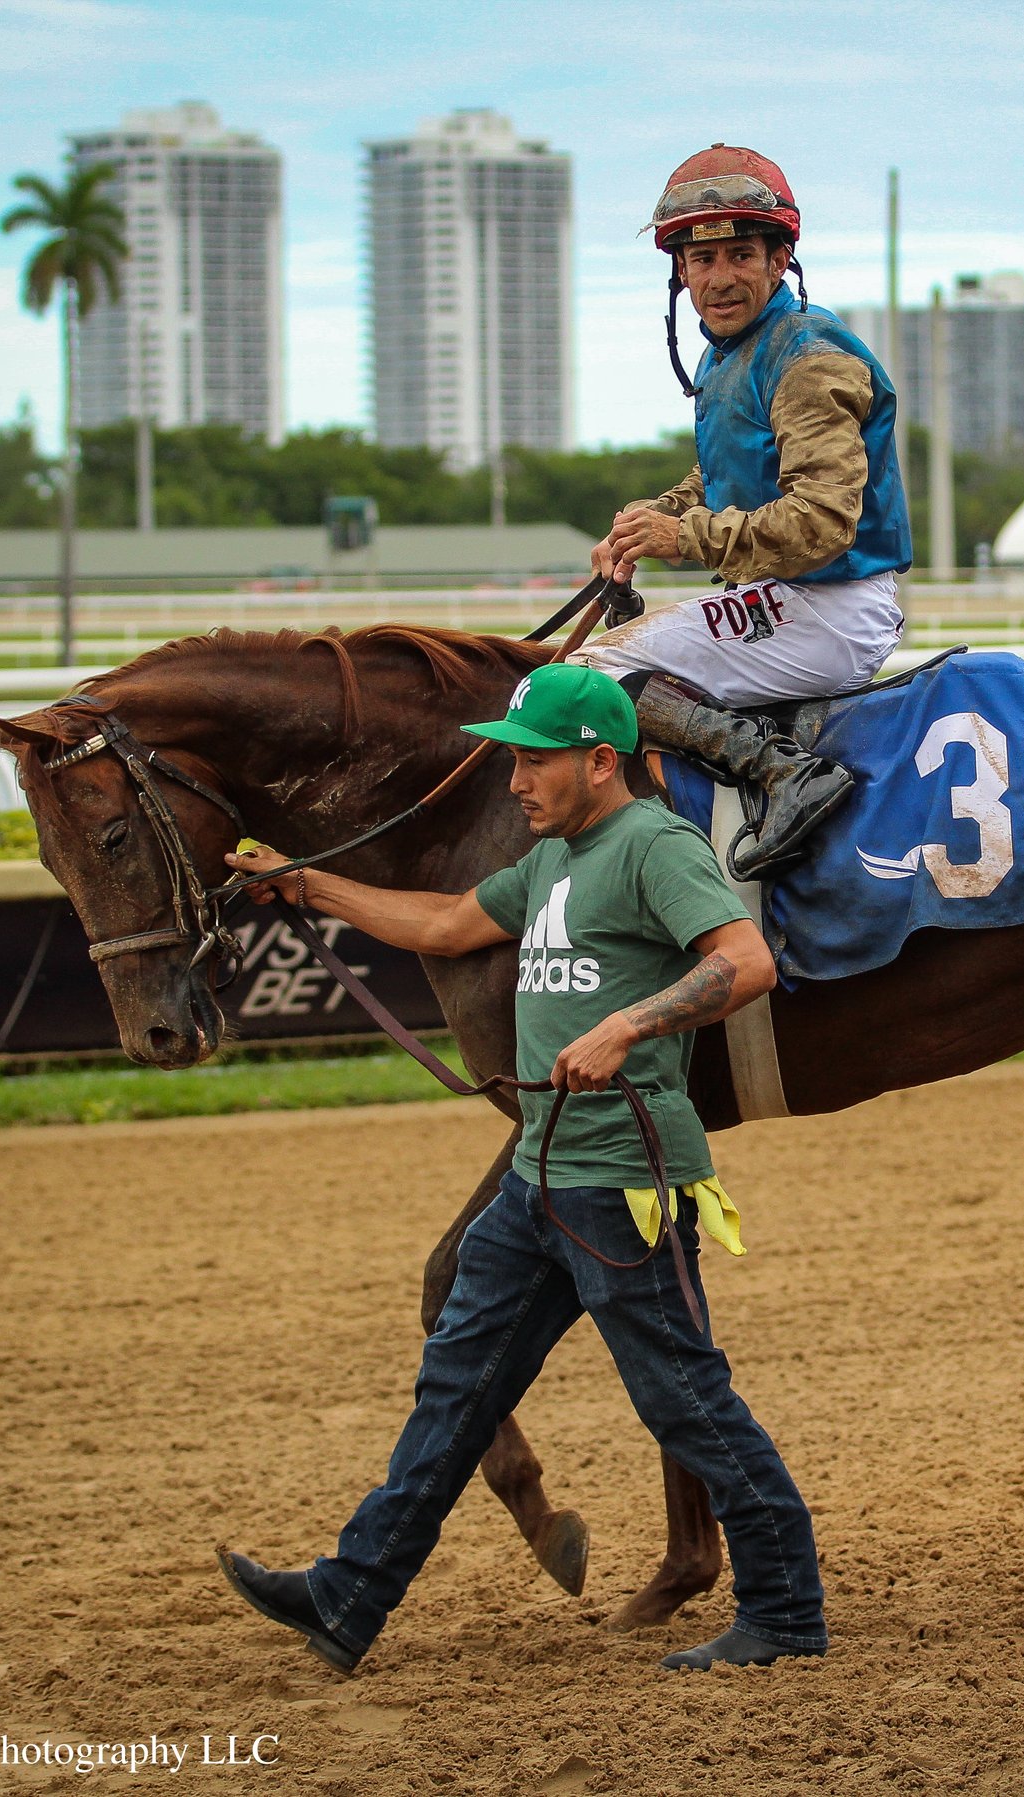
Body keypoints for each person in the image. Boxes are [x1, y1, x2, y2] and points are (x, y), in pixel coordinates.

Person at [213, 663, 826, 1673]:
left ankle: (787, 1612)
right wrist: (305, 881)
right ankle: (348, 1595)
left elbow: (745, 961)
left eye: (534, 761)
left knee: (684, 1400)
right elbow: (450, 927)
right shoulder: (549, 862)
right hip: (536, 1182)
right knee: (455, 1392)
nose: (514, 781)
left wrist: (630, 1022)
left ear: (597, 760)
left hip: (624, 1181)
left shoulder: (654, 847)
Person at [573, 144, 914, 882]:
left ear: (778, 258)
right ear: (681, 272)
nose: (719, 279)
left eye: (740, 255)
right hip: (784, 598)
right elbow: (724, 475)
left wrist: (681, 537)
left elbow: (822, 522)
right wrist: (646, 520)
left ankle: (788, 776)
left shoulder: (809, 356)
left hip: (830, 604)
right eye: (702, 262)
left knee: (594, 673)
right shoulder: (729, 353)